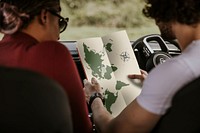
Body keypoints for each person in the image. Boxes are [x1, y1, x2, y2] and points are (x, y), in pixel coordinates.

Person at [83, 0, 200, 132]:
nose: (155, 21)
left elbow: (114, 130)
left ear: (166, 9)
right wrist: (156, 85)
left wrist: (94, 98)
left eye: (155, 9)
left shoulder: (172, 72)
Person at [0, 0, 92, 133]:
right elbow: (82, 129)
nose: (59, 36)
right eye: (59, 22)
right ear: (44, 16)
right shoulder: (52, 53)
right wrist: (95, 98)